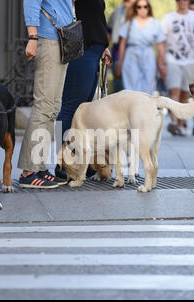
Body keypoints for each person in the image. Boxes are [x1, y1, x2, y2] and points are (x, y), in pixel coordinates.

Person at [18, 0, 74, 189]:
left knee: (53, 107)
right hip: (47, 38)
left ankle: (39, 167)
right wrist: (32, 37)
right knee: (44, 106)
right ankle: (28, 171)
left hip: (61, 38)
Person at [55, 0, 111, 179]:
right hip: (80, 49)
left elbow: (96, 18)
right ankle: (62, 161)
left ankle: (79, 160)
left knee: (84, 110)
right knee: (70, 107)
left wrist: (104, 45)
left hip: (94, 50)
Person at [161, 0, 194, 137]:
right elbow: (162, 42)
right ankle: (174, 123)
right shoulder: (168, 18)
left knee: (185, 94)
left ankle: (180, 126)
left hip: (191, 61)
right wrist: (162, 62)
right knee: (173, 91)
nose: (183, 2)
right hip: (172, 60)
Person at [116, 0, 167, 95]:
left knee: (148, 85)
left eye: (145, 6)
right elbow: (122, 44)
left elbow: (160, 45)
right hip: (131, 55)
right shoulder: (130, 23)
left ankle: (145, 108)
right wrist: (120, 63)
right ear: (135, 8)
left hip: (148, 55)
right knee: (131, 88)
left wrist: (163, 63)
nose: (142, 9)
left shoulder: (155, 23)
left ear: (149, 7)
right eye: (139, 7)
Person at [107, 0, 136, 93]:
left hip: (135, 56)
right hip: (117, 54)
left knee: (133, 91)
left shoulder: (141, 12)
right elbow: (108, 33)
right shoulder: (117, 12)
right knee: (118, 90)